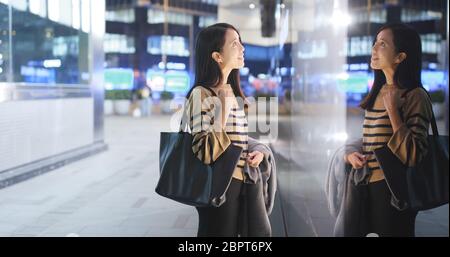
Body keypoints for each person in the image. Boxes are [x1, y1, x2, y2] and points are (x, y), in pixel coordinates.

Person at [183, 23, 272, 237]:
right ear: (217, 56)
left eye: (241, 42)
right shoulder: (201, 94)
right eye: (235, 44)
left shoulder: (230, 91)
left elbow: (236, 139)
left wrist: (260, 150)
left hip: (241, 182)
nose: (242, 48)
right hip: (219, 186)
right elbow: (204, 151)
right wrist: (222, 109)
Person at [344, 23, 433, 237]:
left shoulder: (415, 95)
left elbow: (413, 154)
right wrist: (349, 154)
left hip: (393, 191)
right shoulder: (378, 91)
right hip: (365, 184)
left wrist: (393, 112)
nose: (374, 49)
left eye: (382, 44)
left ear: (400, 57)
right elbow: (369, 140)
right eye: (375, 43)